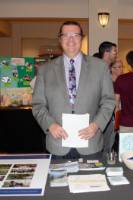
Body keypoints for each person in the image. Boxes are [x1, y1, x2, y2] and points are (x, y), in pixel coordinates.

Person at [32, 21, 115, 159]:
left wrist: (96, 125)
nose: (71, 39)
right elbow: (38, 105)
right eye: (66, 35)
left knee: (90, 181)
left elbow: (109, 101)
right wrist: (50, 125)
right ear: (60, 39)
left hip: (90, 143)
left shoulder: (100, 67)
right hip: (57, 144)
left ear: (81, 38)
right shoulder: (45, 70)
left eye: (75, 35)